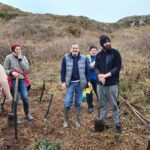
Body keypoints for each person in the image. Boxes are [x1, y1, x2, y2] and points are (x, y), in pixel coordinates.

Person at [95, 35, 122, 137]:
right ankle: (101, 125)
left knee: (114, 105)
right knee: (102, 105)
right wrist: (99, 75)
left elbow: (117, 67)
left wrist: (105, 76)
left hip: (112, 84)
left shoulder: (115, 53)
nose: (107, 43)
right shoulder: (98, 55)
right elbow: (96, 67)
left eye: (108, 41)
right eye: (105, 42)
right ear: (102, 44)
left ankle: (118, 126)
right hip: (100, 85)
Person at [60, 43, 92, 128]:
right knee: (67, 102)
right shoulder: (66, 58)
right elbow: (62, 71)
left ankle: (76, 120)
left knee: (78, 102)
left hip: (80, 83)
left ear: (79, 49)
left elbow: (87, 71)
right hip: (70, 83)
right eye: (73, 48)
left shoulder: (84, 58)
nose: (75, 49)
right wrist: (63, 81)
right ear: (70, 49)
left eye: (76, 48)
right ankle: (65, 120)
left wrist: (88, 81)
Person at [4, 42, 33, 123]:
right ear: (13, 49)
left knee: (25, 98)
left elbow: (27, 69)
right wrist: (11, 72)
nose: (18, 50)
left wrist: (20, 59)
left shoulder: (23, 57)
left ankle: (27, 114)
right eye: (17, 49)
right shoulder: (8, 57)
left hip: (22, 79)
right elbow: (5, 69)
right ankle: (14, 117)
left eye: (20, 49)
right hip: (13, 80)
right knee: (15, 99)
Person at [85, 45, 98, 113]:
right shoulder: (86, 58)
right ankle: (90, 106)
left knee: (99, 93)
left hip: (97, 79)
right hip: (88, 80)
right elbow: (88, 67)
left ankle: (101, 105)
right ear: (89, 51)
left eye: (95, 50)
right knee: (88, 93)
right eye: (92, 50)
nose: (94, 52)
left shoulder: (99, 57)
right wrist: (94, 64)